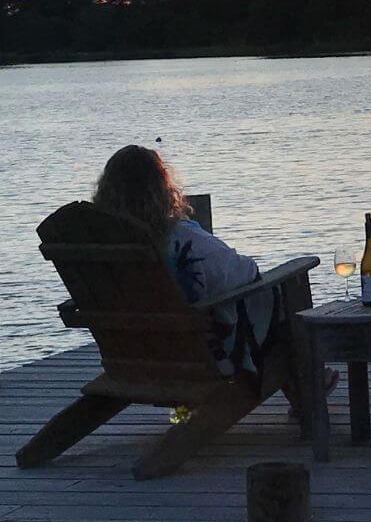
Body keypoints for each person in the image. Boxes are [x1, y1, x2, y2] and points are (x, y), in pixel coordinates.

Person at [91, 145, 338, 391]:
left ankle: (307, 387)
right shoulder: (180, 238)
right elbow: (245, 272)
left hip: (137, 356)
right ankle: (312, 385)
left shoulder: (101, 250)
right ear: (161, 188)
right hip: (200, 357)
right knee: (281, 295)